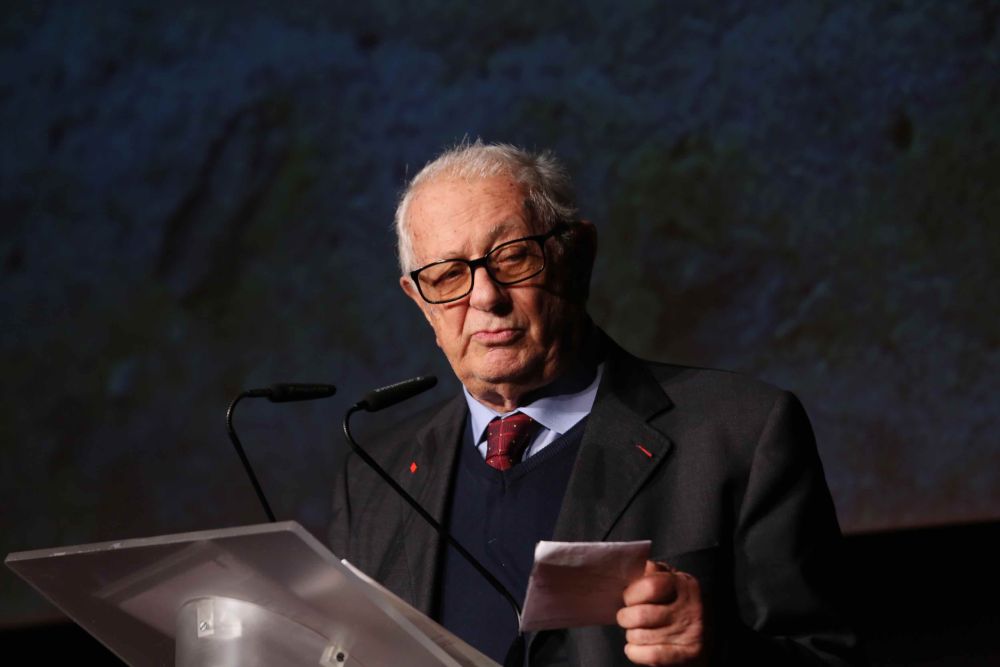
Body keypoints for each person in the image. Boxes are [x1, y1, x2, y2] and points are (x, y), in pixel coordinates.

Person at [329, 141, 864, 666]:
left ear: (577, 256)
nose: (486, 297)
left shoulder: (741, 433)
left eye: (513, 258)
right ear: (420, 301)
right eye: (448, 276)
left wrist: (720, 650)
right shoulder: (375, 480)